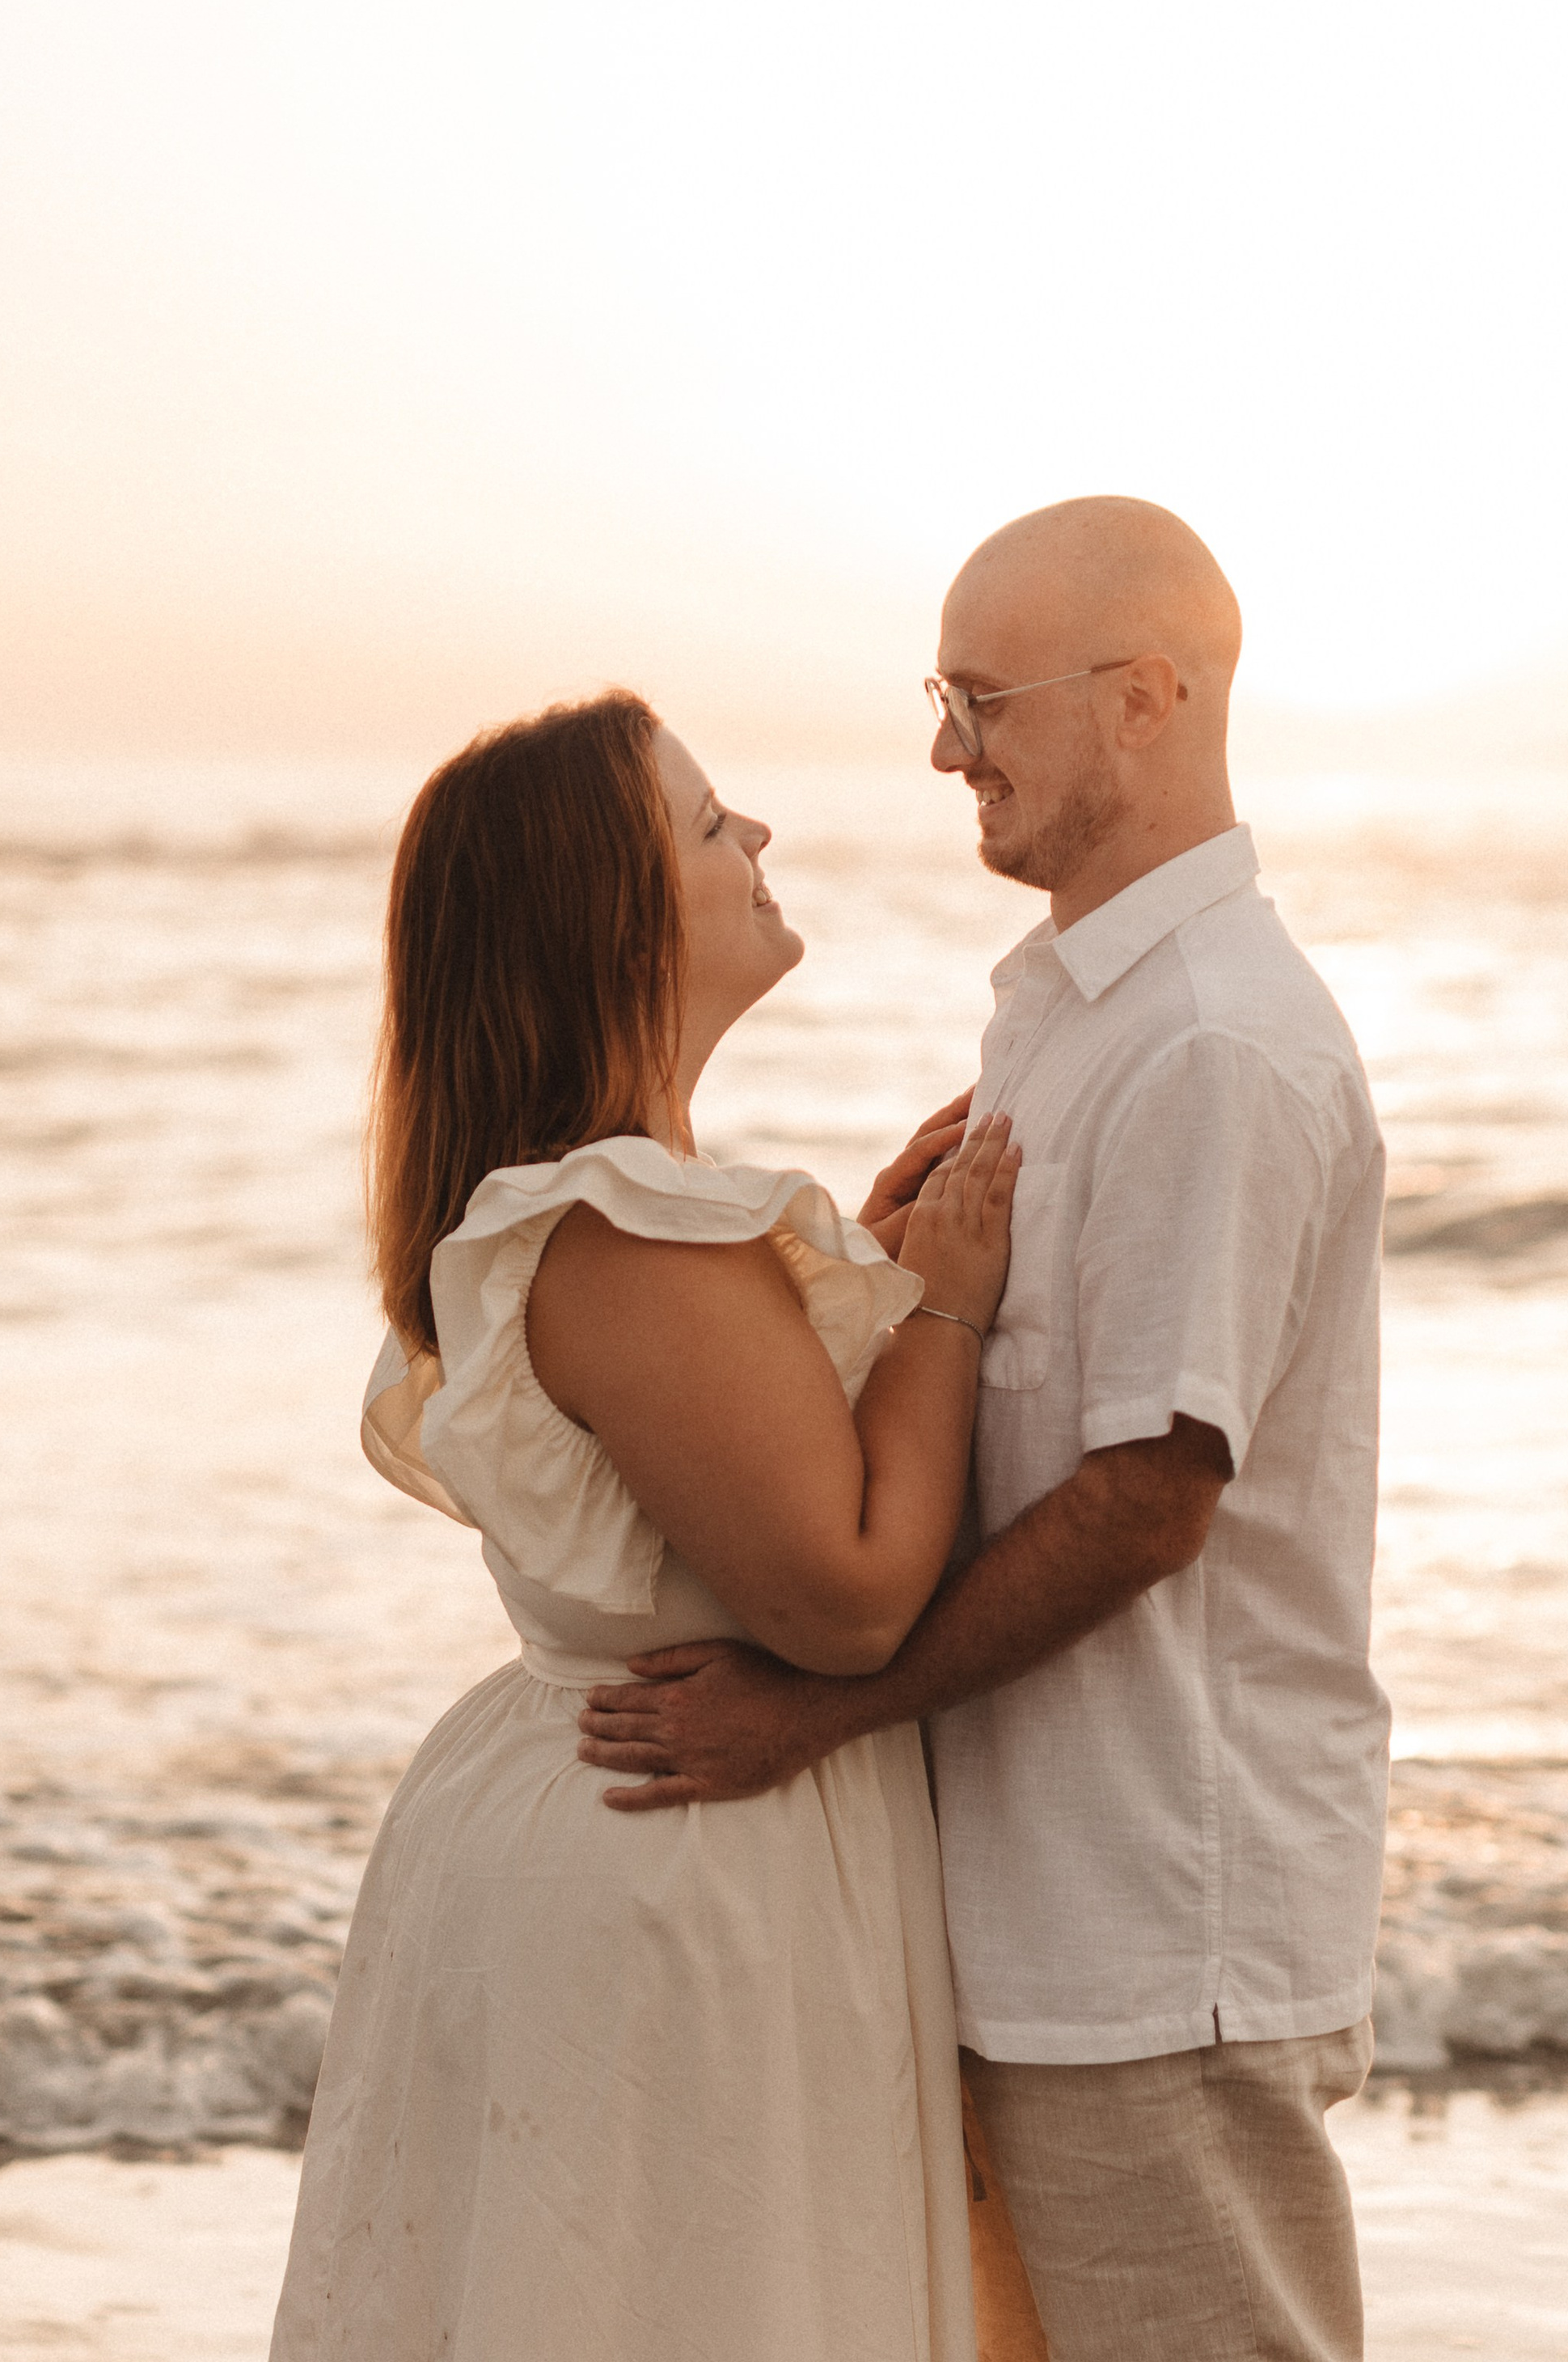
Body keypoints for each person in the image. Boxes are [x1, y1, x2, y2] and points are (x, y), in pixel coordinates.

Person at [579, 497, 1393, 2362]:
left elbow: (1143, 1502)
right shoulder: (1073, 1015)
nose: (942, 747)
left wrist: (814, 1714)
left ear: (1143, 698)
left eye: (978, 699)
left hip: (1149, 1927)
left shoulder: (1204, 1040)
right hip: (1034, 1916)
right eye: (937, 695)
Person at [268, 688, 1024, 2362]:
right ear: (611, 924)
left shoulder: (615, 1215)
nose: (753, 837)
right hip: (683, 1858)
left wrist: (878, 1281)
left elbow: (733, 1467)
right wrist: (944, 1311)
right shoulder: (627, 1228)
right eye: (705, 823)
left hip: (610, 1814)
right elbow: (841, 1599)